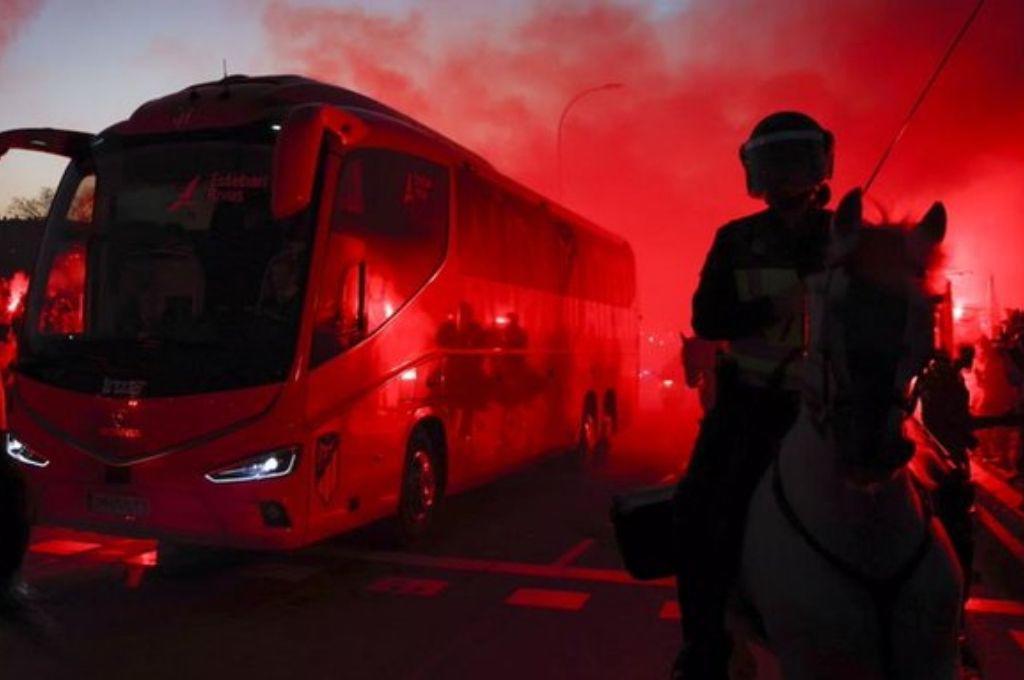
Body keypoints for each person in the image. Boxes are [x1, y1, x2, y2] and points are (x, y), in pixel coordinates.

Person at [672, 111, 834, 679]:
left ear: (819, 166)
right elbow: (706, 316)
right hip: (752, 406)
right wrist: (776, 306)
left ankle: (945, 634)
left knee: (937, 496)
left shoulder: (846, 238)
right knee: (697, 512)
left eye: (796, 161)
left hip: (831, 411)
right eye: (775, 163)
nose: (787, 176)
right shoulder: (736, 240)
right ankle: (704, 649)